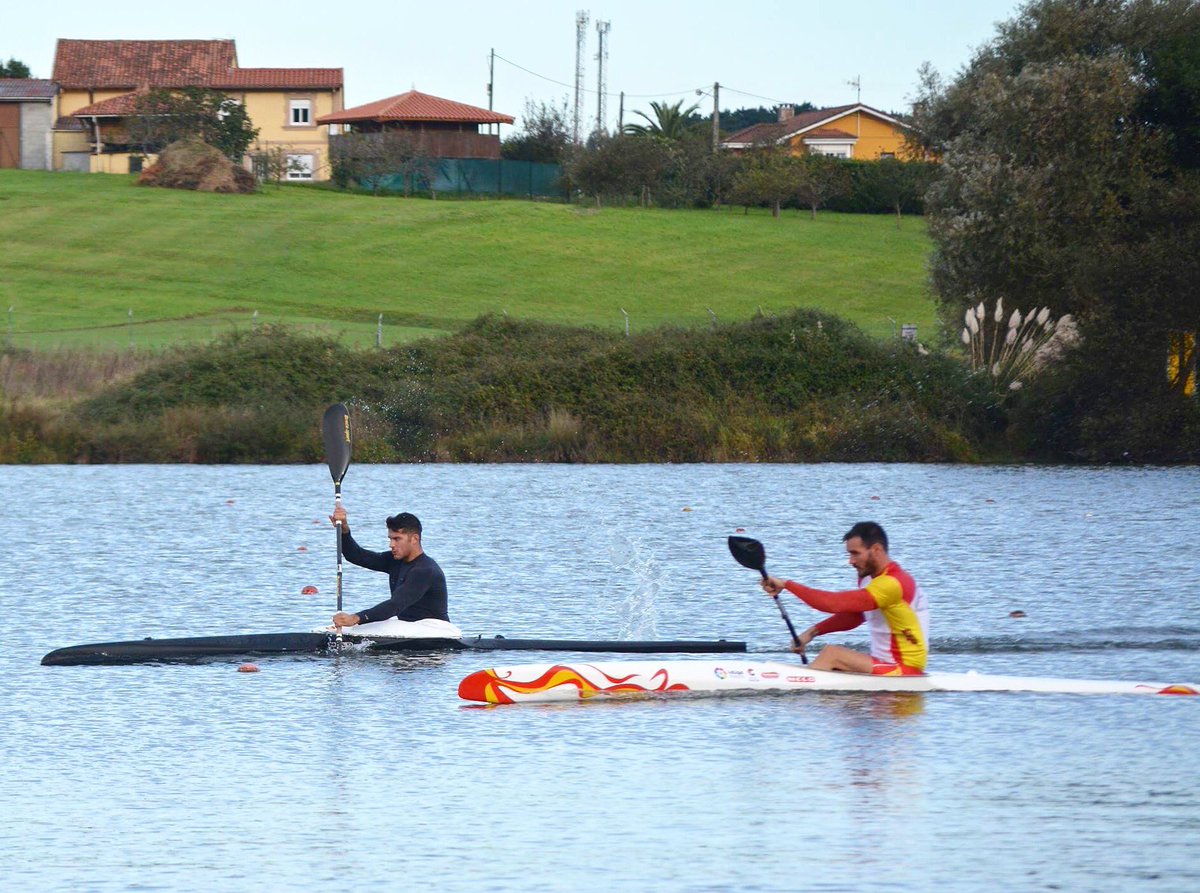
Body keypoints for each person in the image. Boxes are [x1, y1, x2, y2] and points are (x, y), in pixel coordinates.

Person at [760, 521, 928, 675]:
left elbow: (832, 604)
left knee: (832, 654)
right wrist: (811, 633)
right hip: (882, 665)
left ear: (876, 550)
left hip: (905, 670)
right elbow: (857, 616)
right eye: (849, 554)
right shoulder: (868, 578)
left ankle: (800, 690)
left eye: (855, 554)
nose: (850, 561)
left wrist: (787, 584)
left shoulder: (894, 583)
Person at [329, 506, 456, 635]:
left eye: (397, 539)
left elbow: (395, 605)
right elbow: (357, 556)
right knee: (341, 630)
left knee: (355, 627)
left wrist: (355, 618)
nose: (391, 544)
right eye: (390, 539)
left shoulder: (425, 570)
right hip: (409, 627)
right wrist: (344, 530)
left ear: (415, 539)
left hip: (435, 631)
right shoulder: (395, 560)